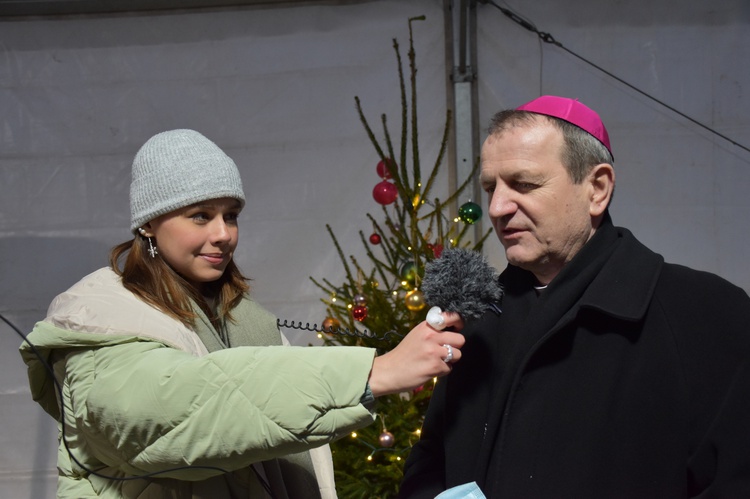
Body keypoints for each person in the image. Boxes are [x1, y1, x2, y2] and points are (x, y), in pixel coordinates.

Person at [18, 129, 465, 499]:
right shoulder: (100, 323)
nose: (223, 234)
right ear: (148, 224)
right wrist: (374, 372)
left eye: (230, 215)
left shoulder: (245, 322)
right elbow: (188, 406)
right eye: (200, 216)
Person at [399, 96, 750, 498]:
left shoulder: (705, 312)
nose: (497, 207)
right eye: (490, 187)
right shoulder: (475, 320)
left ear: (596, 189)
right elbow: (429, 465)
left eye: (524, 184)